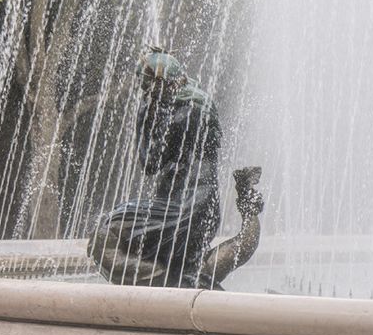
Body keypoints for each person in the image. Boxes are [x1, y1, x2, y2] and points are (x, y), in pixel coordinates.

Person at [87, 49, 262, 289]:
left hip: (187, 206)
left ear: (161, 84)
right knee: (195, 268)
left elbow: (150, 162)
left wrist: (145, 116)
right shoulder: (192, 106)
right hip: (192, 203)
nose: (144, 92)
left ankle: (176, 284)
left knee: (106, 234)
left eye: (146, 86)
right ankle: (183, 283)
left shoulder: (184, 114)